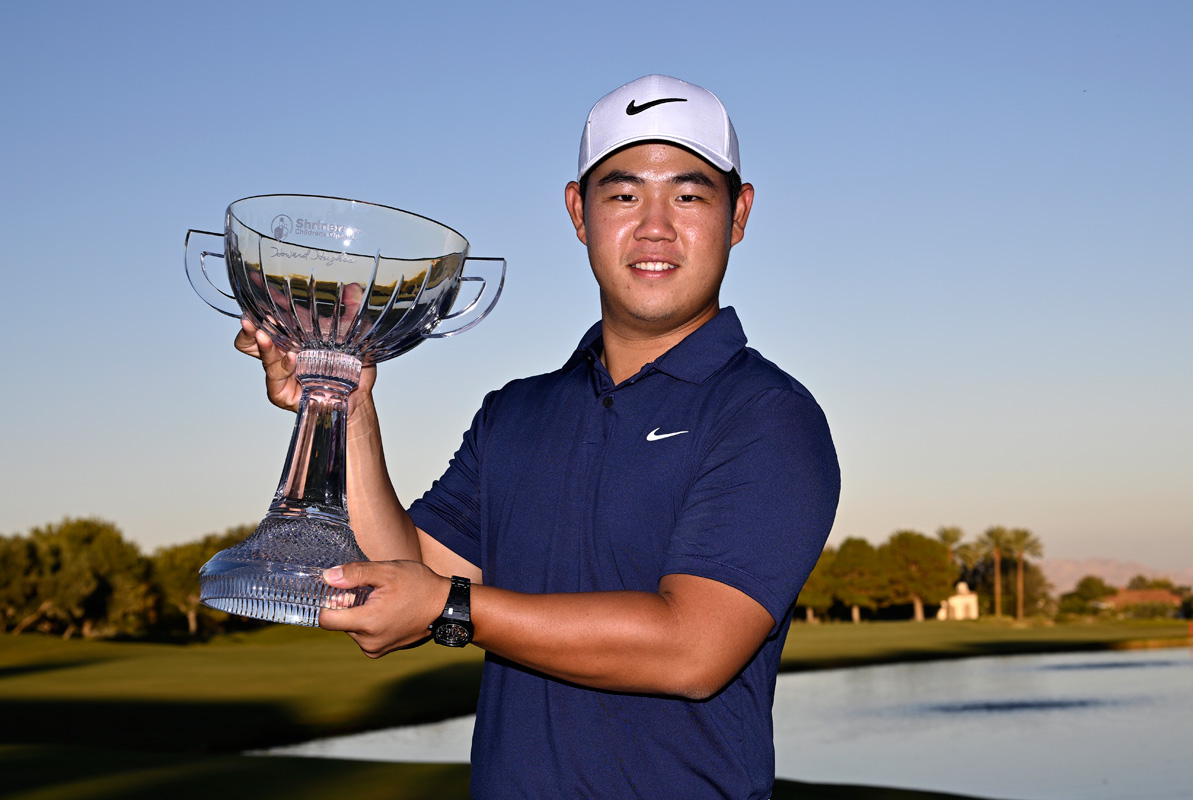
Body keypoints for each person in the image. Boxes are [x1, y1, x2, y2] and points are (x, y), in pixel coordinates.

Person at [236, 74, 840, 800]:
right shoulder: (515, 415)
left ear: (738, 214)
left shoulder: (767, 415)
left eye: (689, 195)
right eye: (622, 194)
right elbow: (393, 585)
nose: (654, 227)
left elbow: (693, 648)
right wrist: (345, 405)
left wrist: (450, 608)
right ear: (577, 213)